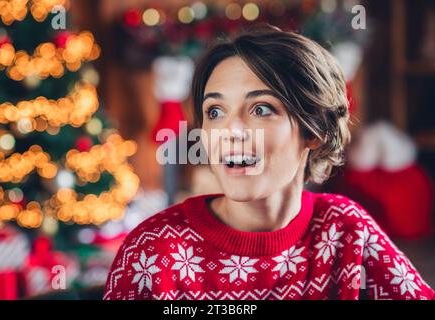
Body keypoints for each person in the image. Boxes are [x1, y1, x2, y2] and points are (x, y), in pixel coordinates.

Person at [103, 25, 434, 300]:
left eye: (261, 108)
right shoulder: (153, 252)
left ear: (314, 130)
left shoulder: (347, 230)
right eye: (214, 112)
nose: (229, 131)